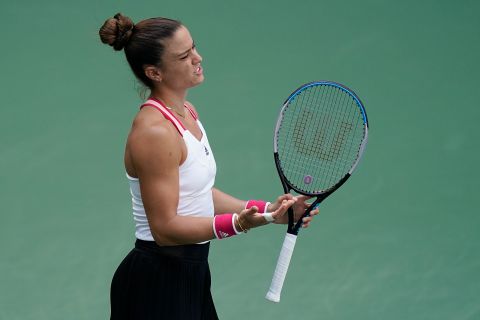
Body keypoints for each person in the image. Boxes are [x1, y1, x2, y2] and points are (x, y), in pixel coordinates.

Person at [99, 13, 319, 320]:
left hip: (191, 275)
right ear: (155, 72)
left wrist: (270, 212)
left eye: (194, 48)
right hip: (156, 285)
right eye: (184, 56)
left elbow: (198, 194)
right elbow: (164, 229)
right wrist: (239, 224)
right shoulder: (154, 132)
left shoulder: (187, 111)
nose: (198, 58)